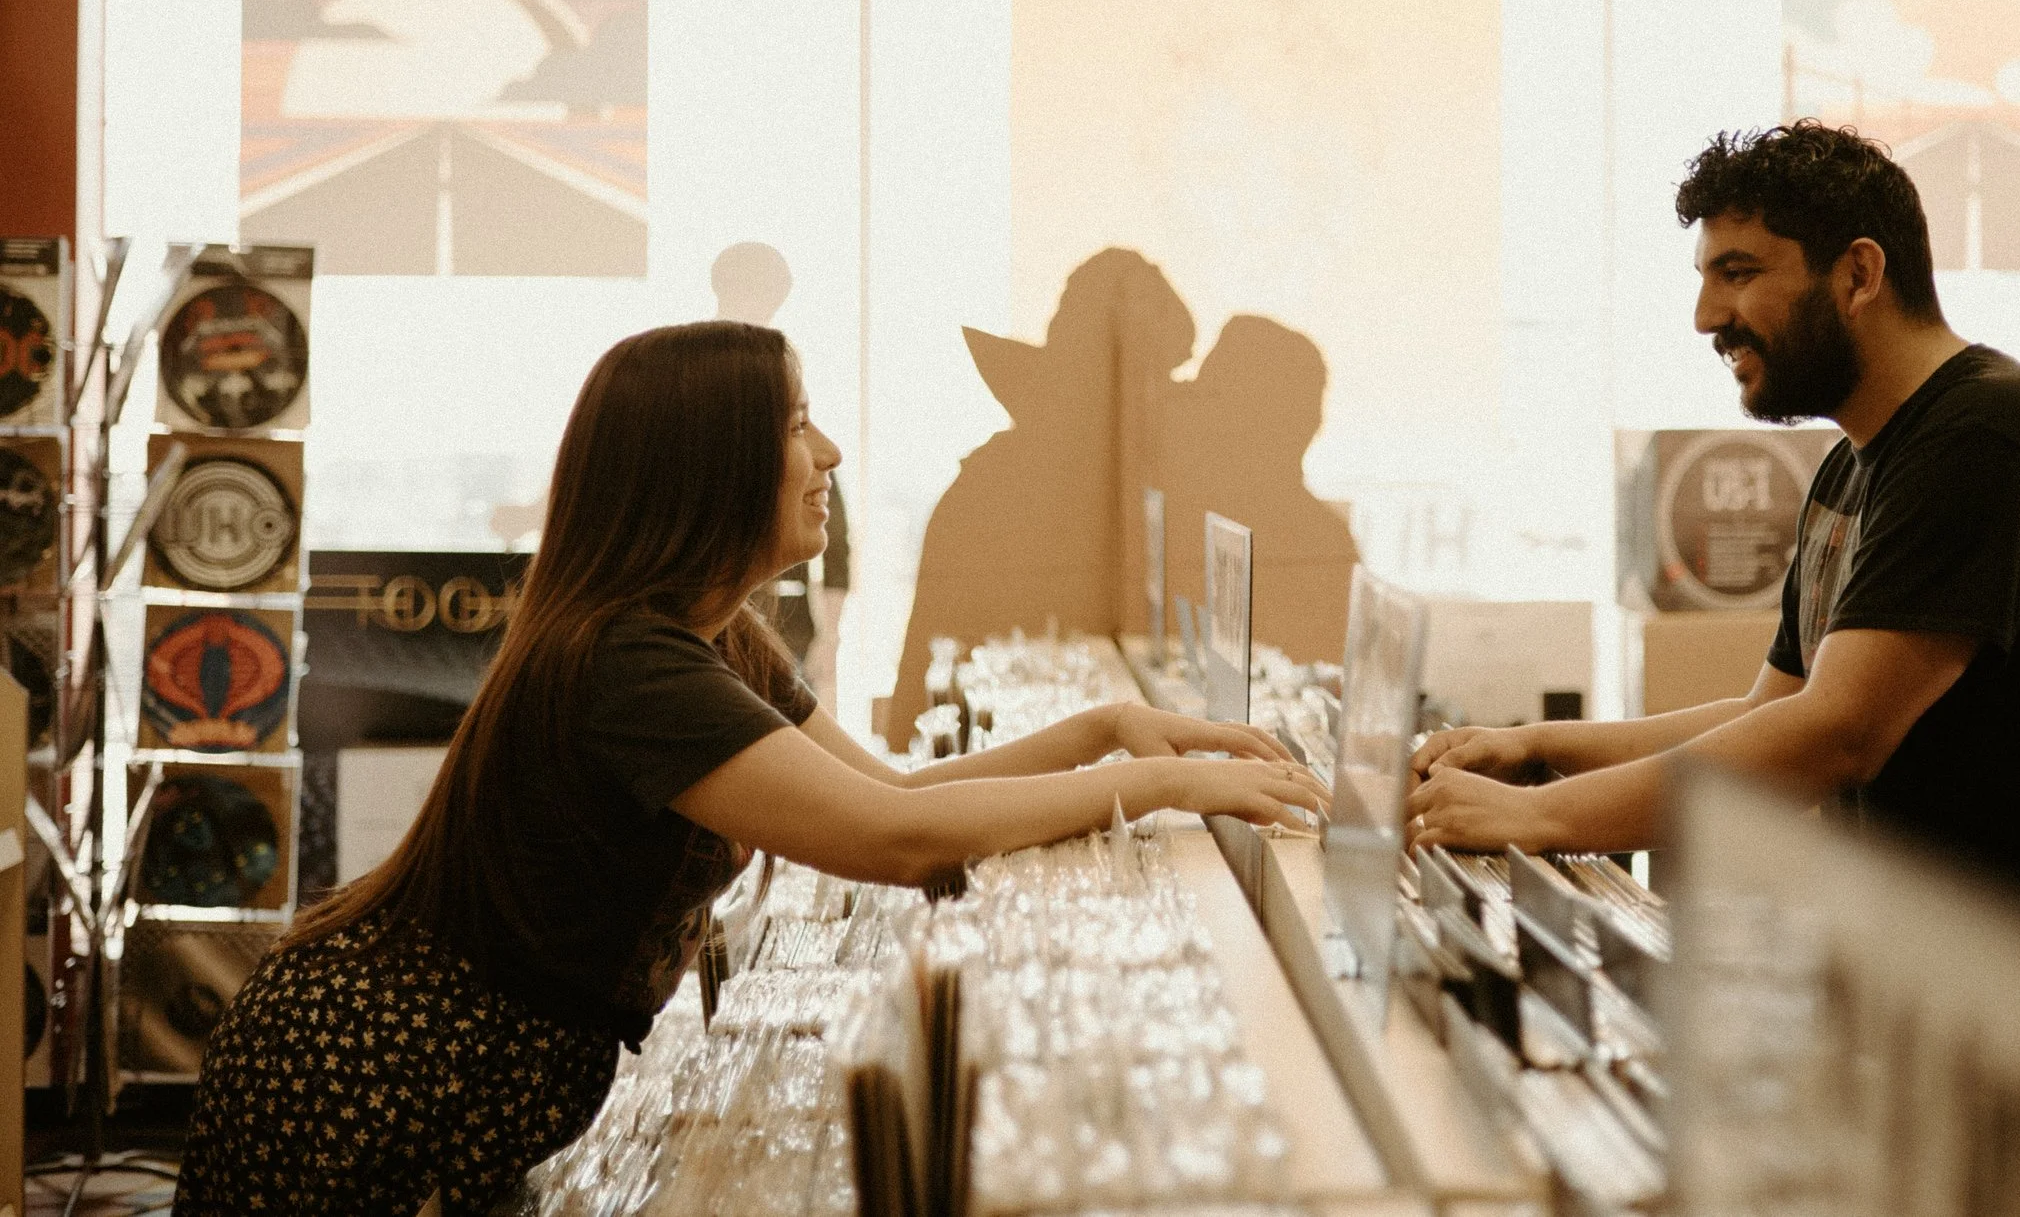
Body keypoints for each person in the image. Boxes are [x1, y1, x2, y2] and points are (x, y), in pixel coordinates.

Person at [174, 321, 1326, 1216]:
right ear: (710, 463)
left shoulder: (711, 633)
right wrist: (1159, 786)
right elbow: (889, 841)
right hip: (370, 1068)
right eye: (798, 424)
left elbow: (893, 792)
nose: (828, 455)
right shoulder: (627, 661)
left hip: (457, 1065)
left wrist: (1109, 728)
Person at [1405, 123, 2020, 1190]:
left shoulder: (1986, 437)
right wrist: (1538, 750)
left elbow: (1838, 732)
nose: (1705, 316)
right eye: (1703, 277)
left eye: (1739, 272)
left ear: (1859, 273)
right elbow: (1770, 710)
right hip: (2005, 1048)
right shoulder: (1855, 467)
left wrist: (1539, 818)